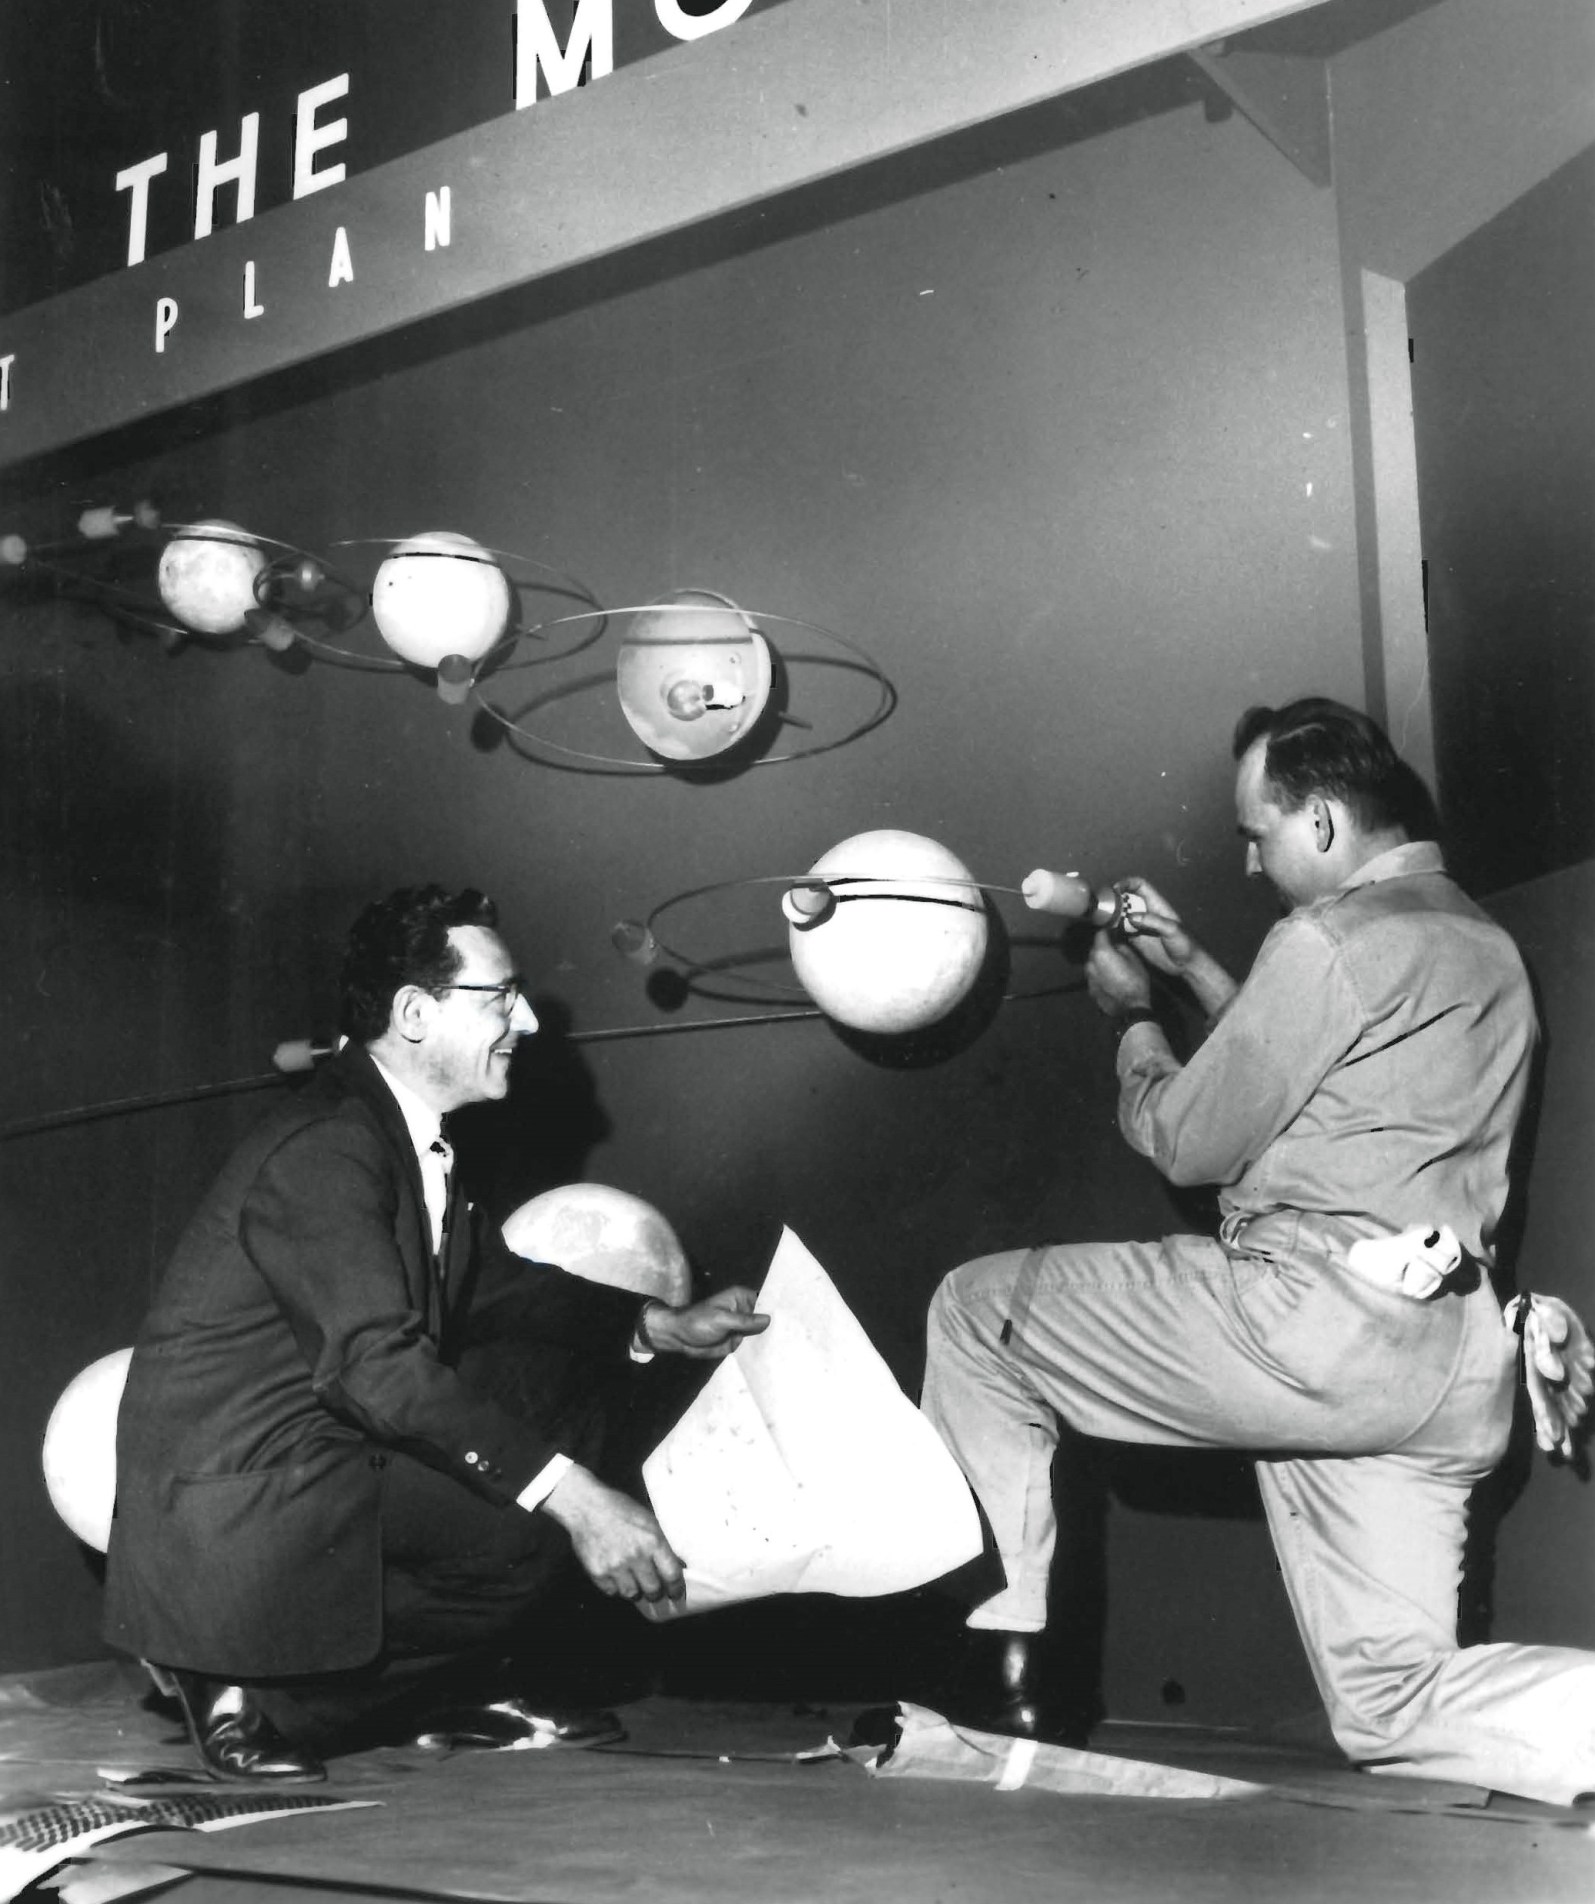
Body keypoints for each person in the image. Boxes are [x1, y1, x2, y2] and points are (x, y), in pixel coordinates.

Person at [922, 698, 1595, 1803]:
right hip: (1445, 1368)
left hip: (1310, 1331)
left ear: (1321, 822)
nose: (1245, 859)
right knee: (1391, 1700)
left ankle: (1006, 1687)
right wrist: (1192, 966)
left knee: (971, 1310)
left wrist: (1131, 1017)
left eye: (1256, 831)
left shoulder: (1325, 938)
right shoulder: (1483, 946)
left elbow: (1191, 1141)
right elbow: (1319, 1093)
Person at [104, 884, 768, 1782]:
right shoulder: (327, 1145)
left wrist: (654, 1322)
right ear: (416, 1014)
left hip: (307, 1448)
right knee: (533, 1536)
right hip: (242, 1492)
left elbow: (489, 1286)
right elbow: (374, 1369)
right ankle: (250, 1695)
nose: (526, 1020)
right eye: (500, 996)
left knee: (566, 1397)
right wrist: (574, 1500)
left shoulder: (406, 1136)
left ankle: (430, 1683)